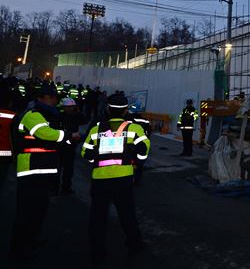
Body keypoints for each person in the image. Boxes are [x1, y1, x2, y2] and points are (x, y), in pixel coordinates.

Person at [9, 84, 79, 260]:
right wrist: (68, 136)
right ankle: (19, 249)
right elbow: (45, 134)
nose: (55, 100)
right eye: (51, 97)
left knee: (39, 209)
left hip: (43, 169)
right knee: (27, 212)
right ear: (40, 98)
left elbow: (53, 139)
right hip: (31, 170)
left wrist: (71, 139)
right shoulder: (32, 115)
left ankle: (31, 239)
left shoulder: (48, 115)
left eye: (55, 97)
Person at [81, 93, 150, 264]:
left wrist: (98, 161)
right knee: (127, 214)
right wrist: (133, 161)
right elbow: (143, 152)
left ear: (108, 109)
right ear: (126, 110)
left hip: (100, 179)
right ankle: (134, 244)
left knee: (98, 216)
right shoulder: (134, 128)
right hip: (123, 178)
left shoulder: (97, 129)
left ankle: (97, 251)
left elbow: (86, 154)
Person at [59, 97, 88, 194]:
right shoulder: (59, 115)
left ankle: (65, 188)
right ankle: (55, 187)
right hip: (60, 144)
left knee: (68, 168)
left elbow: (84, 120)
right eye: (69, 107)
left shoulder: (75, 115)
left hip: (71, 144)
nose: (71, 108)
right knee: (58, 167)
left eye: (73, 107)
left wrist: (78, 112)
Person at [125, 109, 151, 186]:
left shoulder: (128, 119)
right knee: (139, 164)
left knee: (126, 161)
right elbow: (149, 131)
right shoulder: (145, 120)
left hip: (130, 144)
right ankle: (137, 180)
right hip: (141, 144)